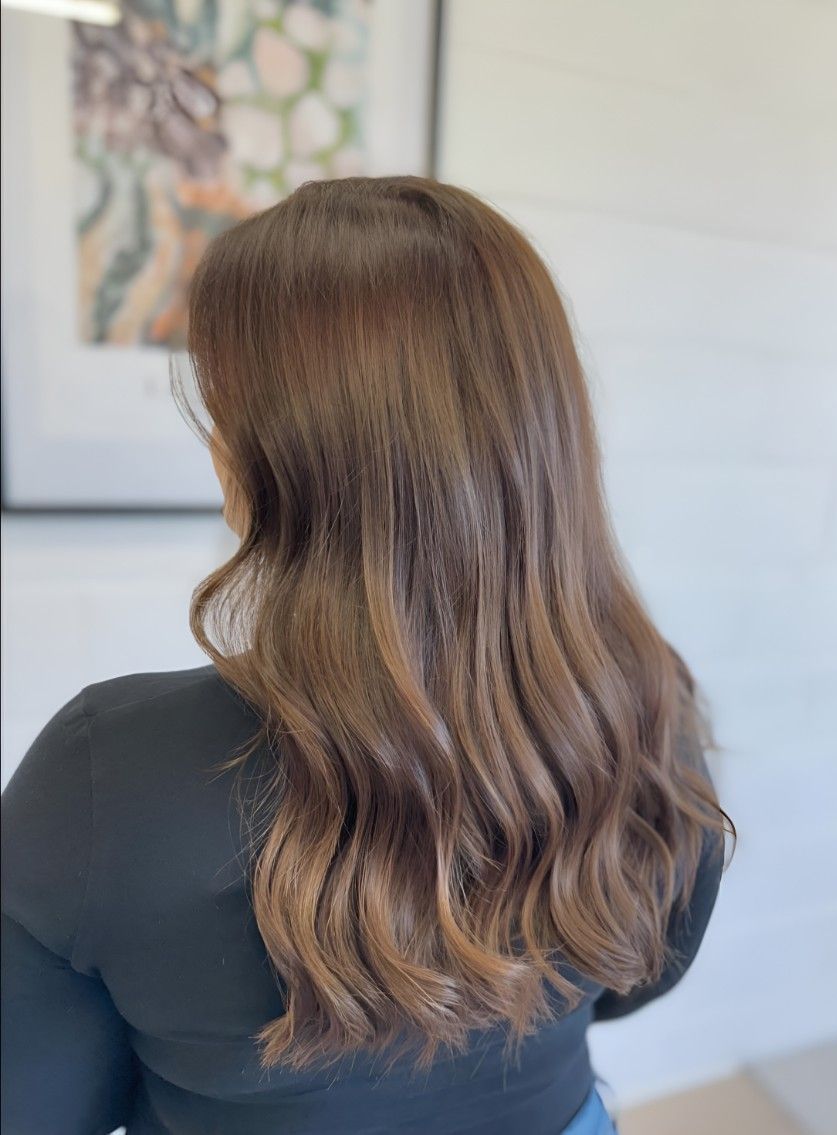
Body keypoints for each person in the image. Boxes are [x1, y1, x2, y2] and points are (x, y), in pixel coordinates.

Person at [1, 176, 732, 1135]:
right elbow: (638, 973)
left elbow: (40, 1106)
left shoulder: (108, 768)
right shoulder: (643, 695)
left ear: (264, 461)